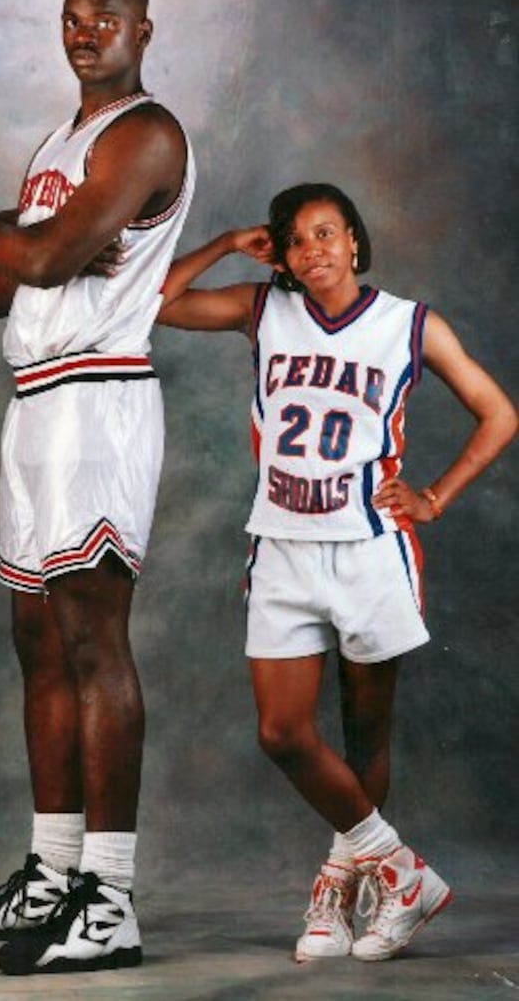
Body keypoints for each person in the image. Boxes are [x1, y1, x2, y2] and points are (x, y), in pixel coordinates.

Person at [156, 182, 517, 962]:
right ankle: (400, 870)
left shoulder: (409, 323)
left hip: (368, 549)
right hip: (281, 545)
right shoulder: (263, 309)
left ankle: (343, 890)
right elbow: (152, 302)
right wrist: (223, 242)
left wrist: (435, 498)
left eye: (328, 232)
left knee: (363, 730)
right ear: (280, 255)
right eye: (296, 239)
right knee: (283, 732)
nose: (314, 248)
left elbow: (500, 411)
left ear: (355, 239)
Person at [0, 0, 195, 977]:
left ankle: (111, 897)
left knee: (93, 639)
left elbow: (31, 261)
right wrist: (23, 238)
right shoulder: (64, 143)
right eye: (74, 19)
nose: (88, 34)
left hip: (99, 397)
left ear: (144, 29)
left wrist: (11, 232)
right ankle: (50, 873)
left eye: (108, 20)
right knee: (38, 642)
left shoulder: (147, 132)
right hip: (34, 402)